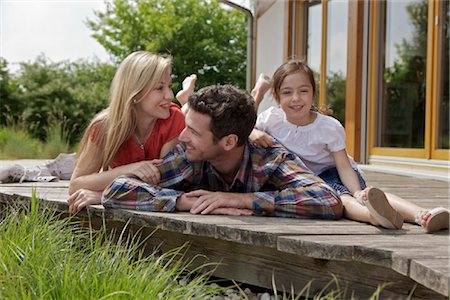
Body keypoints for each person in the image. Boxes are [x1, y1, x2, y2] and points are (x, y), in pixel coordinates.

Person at [250, 59, 449, 233]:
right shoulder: (270, 119)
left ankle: (422, 214)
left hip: (331, 171)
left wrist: (356, 191)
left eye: (303, 91)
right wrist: (254, 130)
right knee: (342, 200)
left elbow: (343, 165)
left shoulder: (328, 127)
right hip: (301, 178)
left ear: (313, 93)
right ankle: (377, 216)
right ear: (276, 97)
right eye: (287, 92)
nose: (296, 98)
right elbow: (244, 125)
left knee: (357, 196)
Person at [97, 84, 343, 218]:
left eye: (193, 131)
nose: (182, 137)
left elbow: (328, 200)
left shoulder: (270, 158)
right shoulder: (188, 155)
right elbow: (116, 191)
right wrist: (179, 201)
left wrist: (243, 200)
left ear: (228, 142)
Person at [68, 51, 196, 213]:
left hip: (145, 185)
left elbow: (163, 183)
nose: (169, 95)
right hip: (128, 187)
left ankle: (187, 99)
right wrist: (129, 169)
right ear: (135, 93)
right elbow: (75, 185)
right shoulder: (104, 126)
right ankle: (186, 98)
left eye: (169, 86)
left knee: (190, 114)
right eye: (159, 88)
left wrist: (103, 195)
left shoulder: (173, 118)